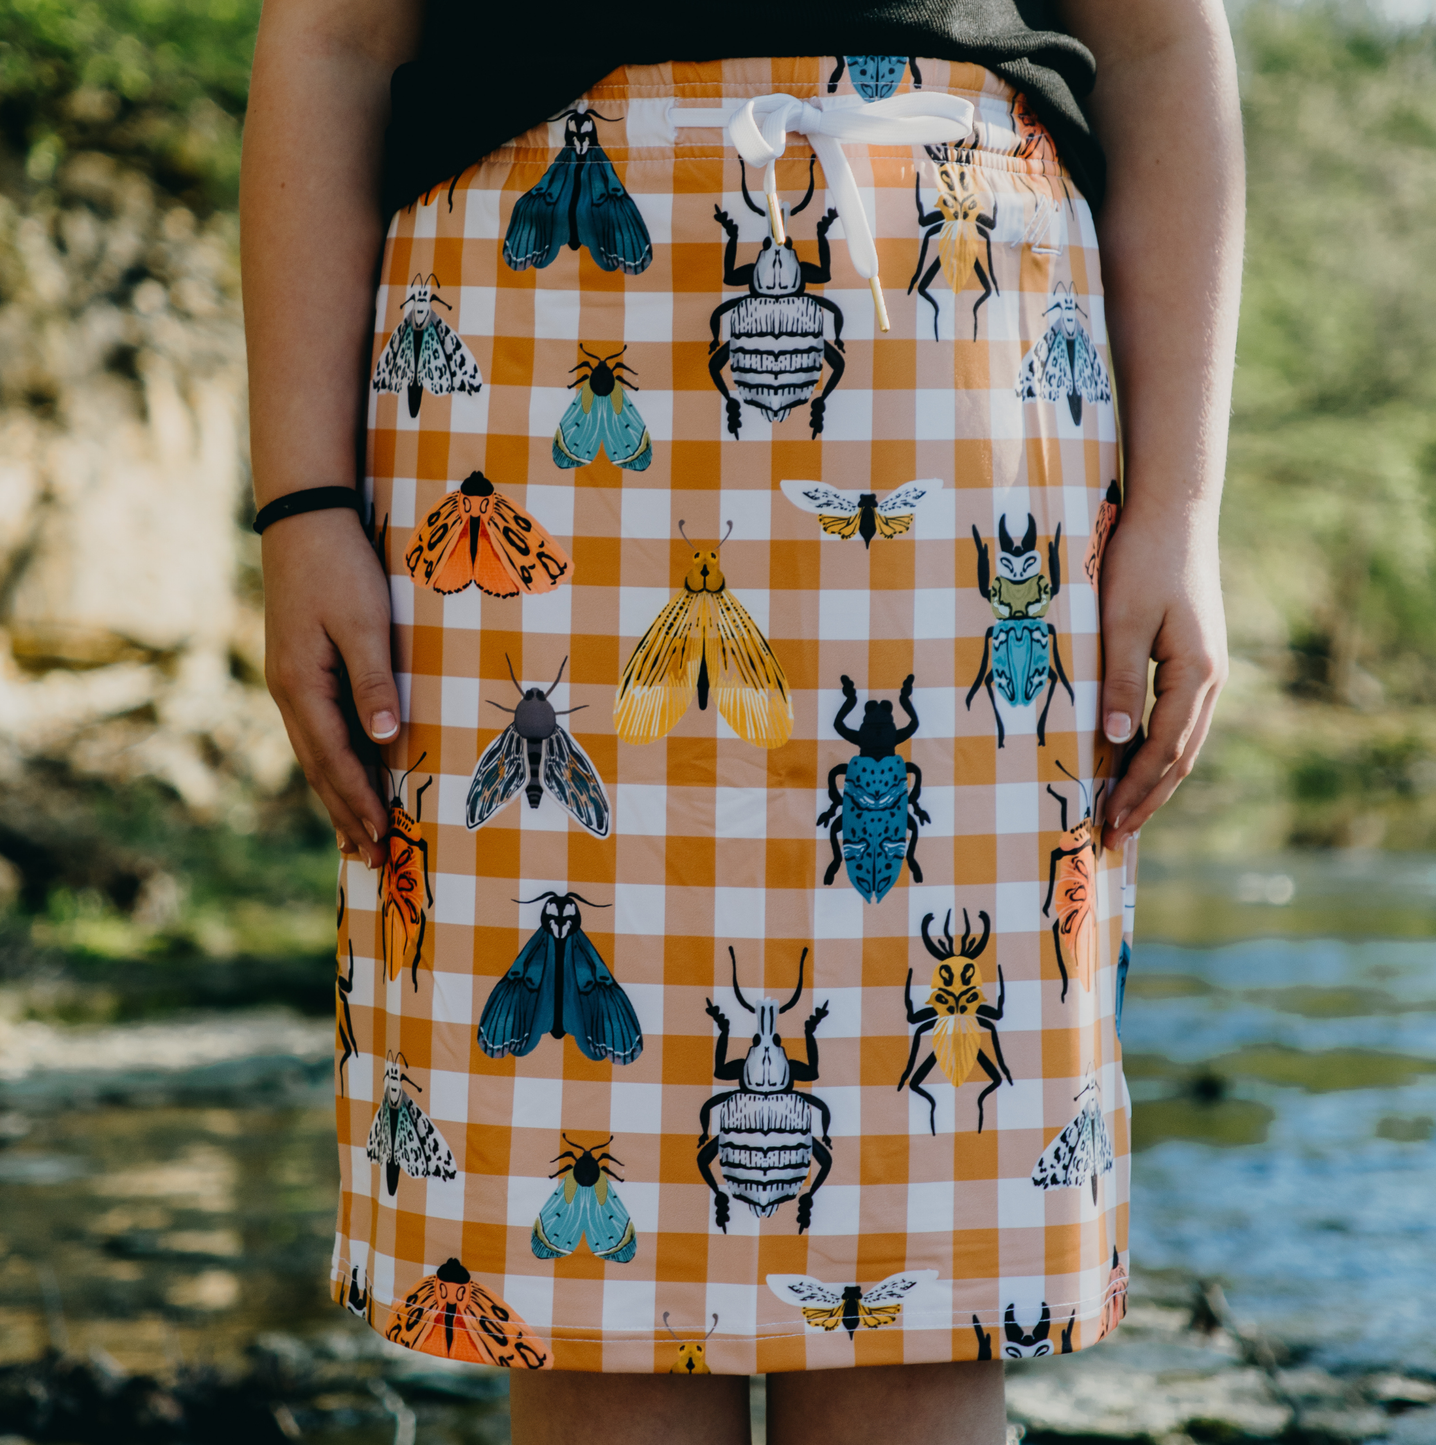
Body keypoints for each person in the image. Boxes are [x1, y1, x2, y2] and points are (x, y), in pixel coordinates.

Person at [241, 2, 1240, 1440]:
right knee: (588, 1322)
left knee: (923, 1311)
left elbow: (1157, 42)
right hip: (523, 384)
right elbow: (333, 39)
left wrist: (1184, 510)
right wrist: (303, 508)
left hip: (961, 403)